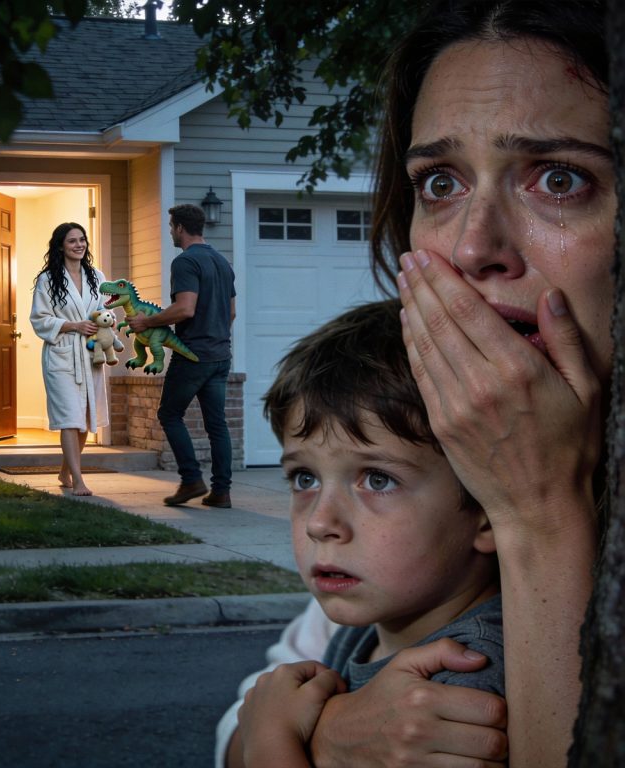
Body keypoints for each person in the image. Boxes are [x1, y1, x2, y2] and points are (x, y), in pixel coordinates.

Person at [216, 1, 612, 766]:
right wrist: (329, 732)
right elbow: (254, 707)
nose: (473, 246)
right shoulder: (431, 434)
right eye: (440, 183)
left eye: (558, 179)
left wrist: (538, 509)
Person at [234, 301, 504, 767]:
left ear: (488, 510)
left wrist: (270, 740)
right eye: (305, 479)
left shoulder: (466, 678)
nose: (320, 523)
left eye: (377, 480)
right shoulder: (369, 632)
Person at [128, 204, 237, 508]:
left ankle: (191, 479)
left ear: (179, 228)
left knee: (169, 414)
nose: (170, 233)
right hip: (220, 355)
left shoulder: (186, 262)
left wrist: (146, 322)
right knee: (217, 424)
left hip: (193, 356)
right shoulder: (222, 261)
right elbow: (231, 312)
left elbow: (185, 308)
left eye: (171, 227)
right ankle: (221, 492)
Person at [30, 222, 109, 497]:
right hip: (62, 355)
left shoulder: (97, 277)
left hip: (89, 354)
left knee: (87, 417)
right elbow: (39, 319)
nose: (79, 245)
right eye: (72, 241)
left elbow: (104, 312)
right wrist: (74, 326)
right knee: (69, 419)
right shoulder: (48, 279)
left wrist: (103, 330)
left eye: (82, 240)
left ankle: (64, 471)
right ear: (61, 245)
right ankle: (78, 479)